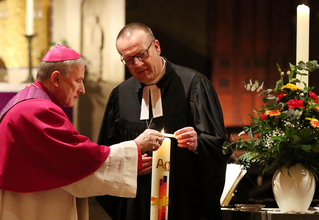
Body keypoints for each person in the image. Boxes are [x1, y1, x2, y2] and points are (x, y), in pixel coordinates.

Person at [0, 44, 164, 220]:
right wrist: (135, 147)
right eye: (78, 81)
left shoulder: (29, 100)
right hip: (18, 207)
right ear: (56, 78)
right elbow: (79, 160)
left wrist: (128, 161)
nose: (83, 89)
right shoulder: (38, 110)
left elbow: (69, 160)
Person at [96, 23, 230, 220]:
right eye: (129, 59)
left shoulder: (193, 86)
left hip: (183, 204)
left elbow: (220, 146)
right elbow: (106, 154)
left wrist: (197, 143)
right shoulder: (120, 96)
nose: (138, 64)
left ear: (156, 47)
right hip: (136, 206)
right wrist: (129, 164)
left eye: (142, 54)